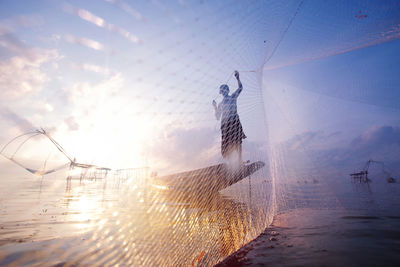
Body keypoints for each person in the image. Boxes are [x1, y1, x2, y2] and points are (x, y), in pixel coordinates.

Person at [213, 70, 246, 165]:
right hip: (225, 124)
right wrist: (215, 107)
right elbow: (217, 117)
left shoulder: (233, 97)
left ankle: (239, 161)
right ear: (220, 92)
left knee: (238, 141)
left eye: (225, 89)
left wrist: (237, 78)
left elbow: (240, 88)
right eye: (222, 90)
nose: (224, 91)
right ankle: (230, 163)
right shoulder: (220, 104)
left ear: (228, 90)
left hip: (234, 121)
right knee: (226, 143)